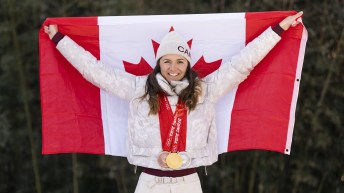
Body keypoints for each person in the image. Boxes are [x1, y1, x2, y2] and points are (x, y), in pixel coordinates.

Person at [44, 11, 303, 193]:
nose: (173, 68)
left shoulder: (205, 90)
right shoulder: (139, 89)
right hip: (149, 182)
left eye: (180, 61)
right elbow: (95, 71)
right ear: (159, 63)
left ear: (188, 64)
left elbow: (243, 63)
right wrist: (59, 39)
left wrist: (278, 29)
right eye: (167, 61)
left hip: (189, 182)